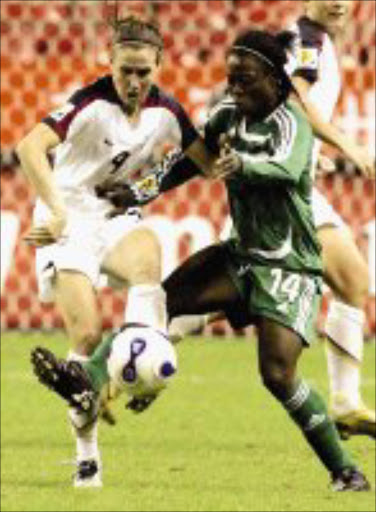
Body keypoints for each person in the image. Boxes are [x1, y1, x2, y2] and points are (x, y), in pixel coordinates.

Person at [31, 29, 370, 492]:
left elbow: (287, 169)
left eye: (245, 79)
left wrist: (243, 167)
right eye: (230, 78)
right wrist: (139, 190)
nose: (234, 88)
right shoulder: (227, 115)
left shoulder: (292, 122)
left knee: (276, 374)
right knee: (159, 302)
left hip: (289, 266)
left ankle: (346, 470)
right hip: (241, 255)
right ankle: (84, 379)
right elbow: (188, 162)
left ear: (273, 79)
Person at [17, 15, 219, 488]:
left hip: (113, 216)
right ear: (109, 61)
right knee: (86, 338)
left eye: (143, 72)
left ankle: (139, 366)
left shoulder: (167, 109)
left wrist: (223, 157)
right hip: (67, 219)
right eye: (125, 70)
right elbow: (30, 147)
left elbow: (203, 161)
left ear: (159, 65)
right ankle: (87, 451)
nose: (133, 81)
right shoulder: (88, 103)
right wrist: (54, 209)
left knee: (148, 256)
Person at [169, 0, 376, 441]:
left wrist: (310, 157)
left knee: (244, 296)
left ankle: (144, 346)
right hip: (280, 192)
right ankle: (138, 349)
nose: (339, 3)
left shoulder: (316, 41)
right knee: (347, 283)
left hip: (286, 184)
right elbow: (296, 103)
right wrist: (347, 147)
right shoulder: (307, 42)